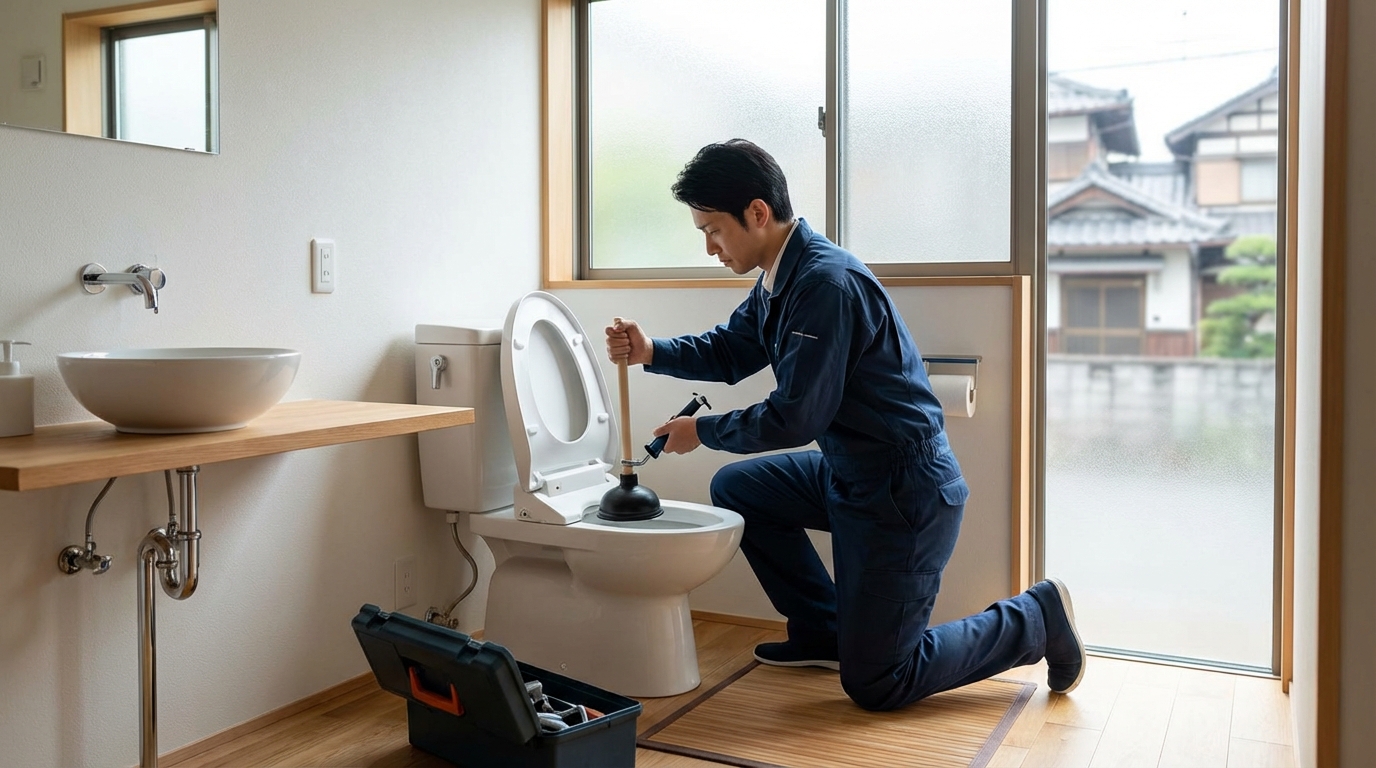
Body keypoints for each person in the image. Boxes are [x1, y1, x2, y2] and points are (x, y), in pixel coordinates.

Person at [604, 139, 1085, 711]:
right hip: (850, 470)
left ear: (757, 213)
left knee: (879, 682)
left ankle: (1036, 617)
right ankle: (825, 631)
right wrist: (650, 349)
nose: (709, 247)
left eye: (713, 230)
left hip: (903, 491)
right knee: (739, 488)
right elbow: (732, 350)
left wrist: (702, 433)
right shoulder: (780, 275)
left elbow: (797, 416)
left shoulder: (823, 285)